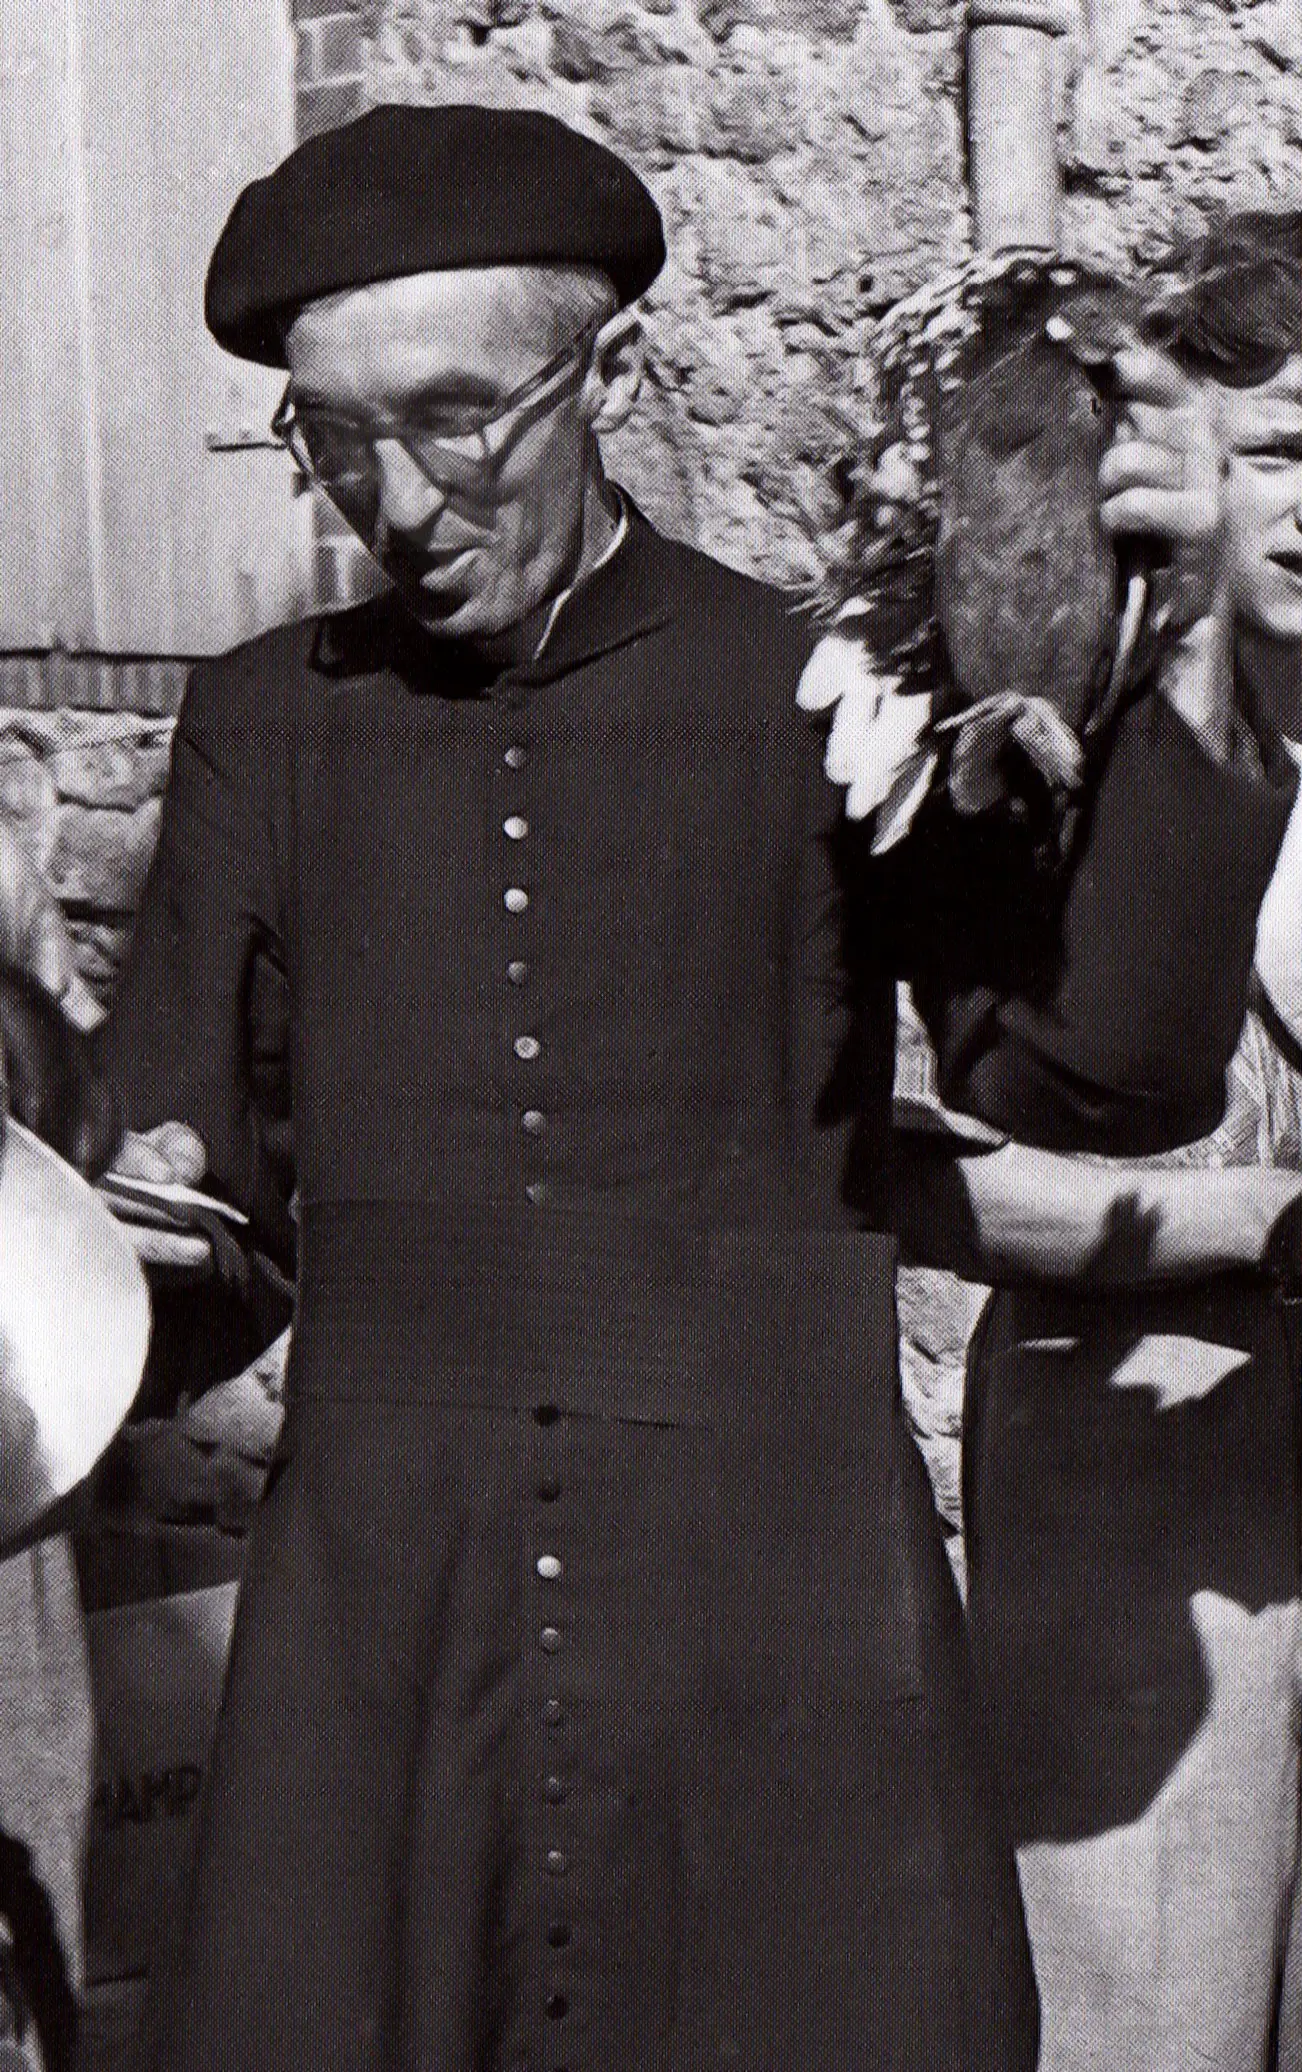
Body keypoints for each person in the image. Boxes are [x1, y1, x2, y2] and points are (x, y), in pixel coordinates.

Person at [80, 102, 1042, 2072]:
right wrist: (128, 1248)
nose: (395, 502)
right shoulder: (263, 724)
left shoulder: (822, 696)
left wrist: (1082, 687)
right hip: (388, 1602)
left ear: (610, 373)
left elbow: (1085, 1067)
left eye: (454, 421)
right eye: (332, 438)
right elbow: (198, 1239)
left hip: (766, 1577)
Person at [881, 211, 1302, 2072]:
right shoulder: (1030, 751)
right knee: (1146, 2023)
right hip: (1135, 1467)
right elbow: (915, 1170)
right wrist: (1262, 1224)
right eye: (1280, 449)